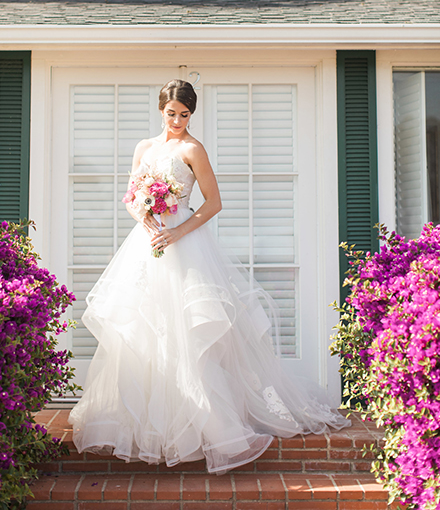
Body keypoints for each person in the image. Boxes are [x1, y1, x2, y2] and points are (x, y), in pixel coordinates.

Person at [68, 79, 349, 474]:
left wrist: (177, 231)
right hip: (147, 242)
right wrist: (144, 218)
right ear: (161, 109)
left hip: (183, 242)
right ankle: (149, 425)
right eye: (172, 113)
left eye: (185, 114)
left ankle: (209, 427)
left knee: (191, 332)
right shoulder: (144, 148)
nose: (178, 120)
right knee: (145, 329)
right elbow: (131, 196)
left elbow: (213, 202)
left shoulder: (192, 149)